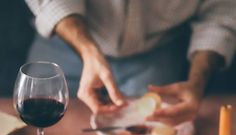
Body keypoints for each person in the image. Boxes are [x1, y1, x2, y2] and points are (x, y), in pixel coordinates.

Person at [25, 0, 236, 125]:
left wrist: (197, 82)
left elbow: (222, 12)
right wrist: (88, 52)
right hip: (61, 42)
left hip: (156, 54)